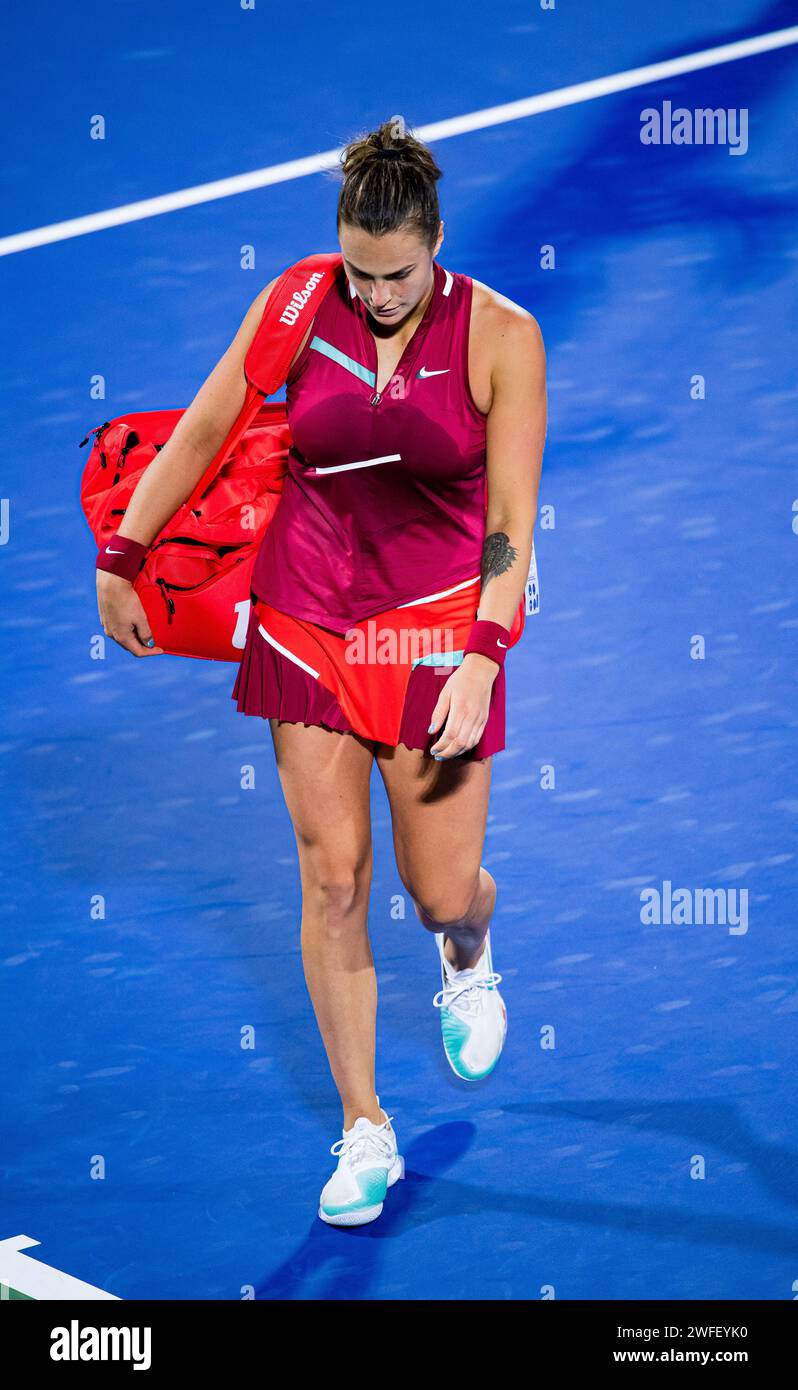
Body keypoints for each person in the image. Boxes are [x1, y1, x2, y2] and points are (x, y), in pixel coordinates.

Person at [95, 117, 546, 1229]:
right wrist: (124, 556)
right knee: (332, 879)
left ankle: (470, 948)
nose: (376, 293)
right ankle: (364, 1128)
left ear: (437, 241)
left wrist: (483, 657)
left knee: (436, 886)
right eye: (359, 270)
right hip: (303, 613)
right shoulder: (301, 303)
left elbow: (510, 526)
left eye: (396, 275)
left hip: (435, 623)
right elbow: (207, 428)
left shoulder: (502, 335)